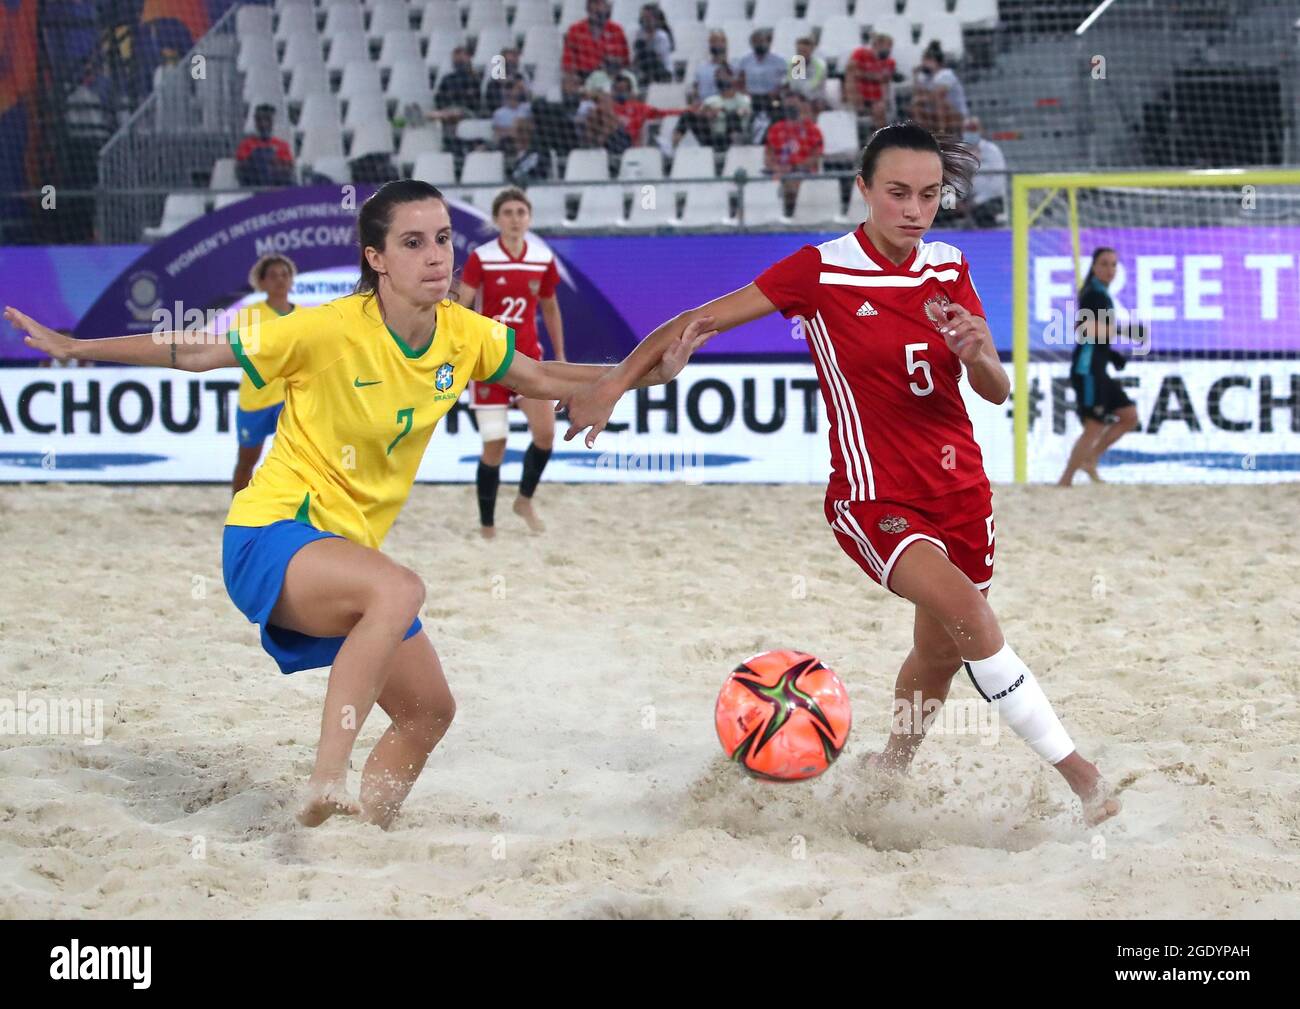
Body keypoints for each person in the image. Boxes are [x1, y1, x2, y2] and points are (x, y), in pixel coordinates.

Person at [7, 180, 713, 829]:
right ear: (376, 257)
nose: (436, 256)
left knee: (430, 712)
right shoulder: (325, 329)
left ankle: (354, 830)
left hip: (345, 558)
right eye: (413, 242)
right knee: (399, 588)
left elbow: (554, 376)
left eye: (442, 239)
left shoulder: (465, 335)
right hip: (270, 536)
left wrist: (643, 377)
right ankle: (326, 778)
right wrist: (76, 344)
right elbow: (194, 352)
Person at [561, 123, 1122, 827]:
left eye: (928, 194)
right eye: (897, 193)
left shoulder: (948, 264)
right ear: (863, 190)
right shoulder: (818, 271)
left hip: (963, 493)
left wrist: (980, 351)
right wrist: (615, 383)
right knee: (974, 616)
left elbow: (996, 390)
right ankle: (1084, 777)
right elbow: (695, 319)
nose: (914, 209)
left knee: (939, 653)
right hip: (874, 497)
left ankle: (889, 769)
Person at [457, 188, 566, 537]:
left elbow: (549, 306)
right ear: (496, 219)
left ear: (529, 217)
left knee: (546, 435)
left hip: (529, 360)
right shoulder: (482, 257)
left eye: (521, 212)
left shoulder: (542, 256)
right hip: (489, 361)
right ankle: (487, 526)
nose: (515, 218)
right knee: (495, 445)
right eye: (508, 212)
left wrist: (560, 355)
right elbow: (463, 306)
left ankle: (523, 500)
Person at [1059, 247, 1140, 486]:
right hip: (1088, 371)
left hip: (1098, 368)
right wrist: (1127, 331)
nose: (1110, 269)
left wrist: (1111, 354)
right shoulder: (1094, 294)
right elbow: (1085, 330)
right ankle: (1065, 480)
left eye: (1114, 264)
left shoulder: (1100, 293)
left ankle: (1091, 460)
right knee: (1094, 425)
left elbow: (1094, 335)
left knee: (1129, 416)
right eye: (1104, 264)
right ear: (1094, 267)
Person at [232, 254, 297, 494]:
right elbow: (242, 353)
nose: (280, 280)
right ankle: (238, 515)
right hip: (256, 399)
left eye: (285, 274)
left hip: (290, 400)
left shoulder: (304, 316)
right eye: (273, 275)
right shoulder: (249, 314)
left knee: (296, 463)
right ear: (262, 282)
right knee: (247, 461)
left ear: (291, 280)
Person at [764, 93, 824, 213]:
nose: (791, 108)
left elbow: (815, 159)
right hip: (779, 171)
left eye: (794, 105)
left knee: (792, 182)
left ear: (802, 106)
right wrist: (777, 167)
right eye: (788, 105)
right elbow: (768, 157)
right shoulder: (776, 128)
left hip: (803, 172)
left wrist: (794, 167)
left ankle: (790, 214)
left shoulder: (812, 130)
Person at [675, 65, 751, 153]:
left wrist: (722, 110)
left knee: (732, 115)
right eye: (717, 77)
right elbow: (701, 117)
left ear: (731, 78)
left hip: (731, 138)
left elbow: (745, 113)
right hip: (712, 137)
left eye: (723, 76)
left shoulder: (743, 99)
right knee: (687, 115)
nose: (720, 79)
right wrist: (707, 114)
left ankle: (736, 150)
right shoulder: (710, 100)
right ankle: (674, 148)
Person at [910, 42, 968, 137]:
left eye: (926, 61)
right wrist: (915, 77)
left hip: (956, 114)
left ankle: (942, 134)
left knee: (938, 102)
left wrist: (921, 98)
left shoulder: (946, 74)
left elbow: (938, 94)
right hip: (934, 115)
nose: (923, 64)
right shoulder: (926, 77)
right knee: (916, 106)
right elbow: (917, 93)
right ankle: (923, 135)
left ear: (935, 61)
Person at [563, 0, 630, 78]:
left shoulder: (616, 30)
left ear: (608, 7)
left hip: (612, 81)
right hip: (582, 81)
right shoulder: (575, 30)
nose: (596, 8)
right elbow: (568, 65)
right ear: (587, 7)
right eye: (593, 3)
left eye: (600, 3)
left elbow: (625, 63)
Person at [844, 33, 898, 130]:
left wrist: (863, 74)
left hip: (877, 98)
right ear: (877, 45)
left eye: (890, 47)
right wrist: (871, 76)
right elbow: (850, 70)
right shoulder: (860, 53)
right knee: (850, 77)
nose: (889, 50)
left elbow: (883, 78)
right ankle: (857, 105)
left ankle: (879, 136)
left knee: (879, 108)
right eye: (887, 46)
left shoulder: (890, 62)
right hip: (858, 94)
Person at [961, 116, 1007, 227]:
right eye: (968, 129)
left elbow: (997, 184)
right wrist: (955, 201)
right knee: (944, 206)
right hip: (961, 199)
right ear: (962, 131)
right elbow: (949, 180)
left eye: (973, 129)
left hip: (987, 200)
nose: (970, 133)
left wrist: (975, 202)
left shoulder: (992, 151)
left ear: (980, 131)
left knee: (983, 211)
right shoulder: (956, 152)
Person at [235, 104, 294, 187]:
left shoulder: (282, 145)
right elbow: (241, 170)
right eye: (259, 120)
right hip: (254, 185)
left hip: (277, 186)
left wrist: (271, 165)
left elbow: (288, 169)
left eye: (267, 120)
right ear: (255, 122)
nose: (263, 124)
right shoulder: (246, 145)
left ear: (272, 122)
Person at [632, 4, 675, 85]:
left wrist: (650, 39)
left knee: (646, 50)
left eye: (648, 17)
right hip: (646, 69)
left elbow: (659, 57)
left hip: (662, 70)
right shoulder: (639, 34)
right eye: (643, 17)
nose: (645, 20)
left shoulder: (661, 36)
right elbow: (636, 56)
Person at [786, 36, 828, 111]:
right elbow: (794, 85)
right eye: (799, 51)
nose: (801, 54)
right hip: (799, 98)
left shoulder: (819, 65)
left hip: (815, 98)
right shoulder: (796, 63)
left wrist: (801, 96)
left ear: (811, 50)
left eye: (804, 51)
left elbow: (812, 85)